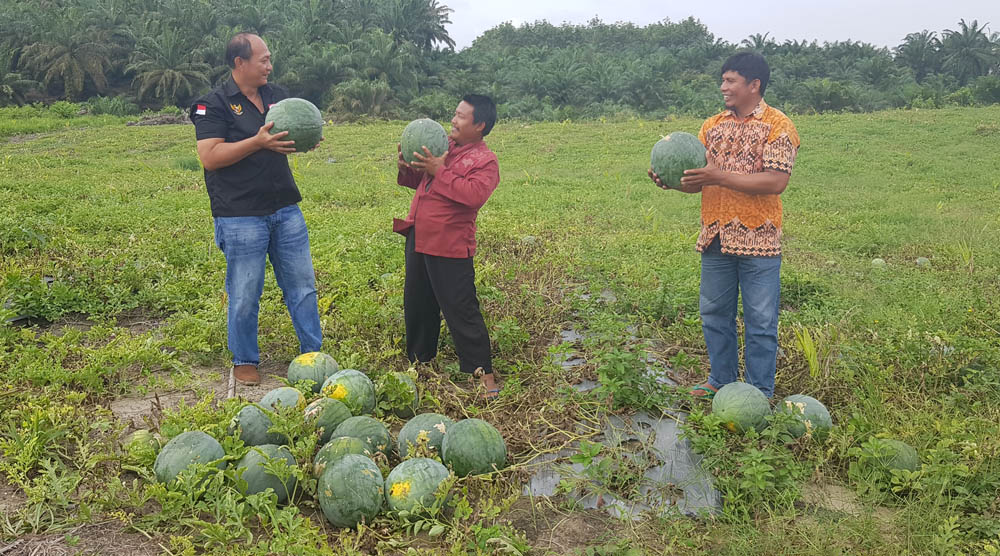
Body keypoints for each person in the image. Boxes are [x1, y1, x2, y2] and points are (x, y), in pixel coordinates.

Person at [649, 52, 800, 399]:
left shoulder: (778, 126)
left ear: (754, 85)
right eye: (723, 80)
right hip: (715, 236)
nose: (723, 87)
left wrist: (720, 176)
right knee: (715, 314)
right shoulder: (711, 126)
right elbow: (700, 180)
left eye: (731, 81)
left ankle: (759, 391)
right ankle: (721, 380)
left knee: (761, 323)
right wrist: (671, 181)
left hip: (759, 241)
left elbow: (776, 182)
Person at [189, 32, 323, 386]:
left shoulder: (276, 96)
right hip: (240, 213)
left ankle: (314, 353)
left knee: (302, 286)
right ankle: (245, 359)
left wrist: (306, 139)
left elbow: (287, 137)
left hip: (284, 207)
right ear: (240, 63)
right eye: (263, 60)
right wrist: (257, 142)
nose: (269, 65)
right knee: (246, 290)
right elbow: (210, 157)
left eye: (269, 59)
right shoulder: (212, 104)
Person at [393, 94, 501, 399]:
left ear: (479, 125)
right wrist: (409, 166)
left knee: (461, 309)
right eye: (454, 114)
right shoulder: (444, 147)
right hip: (420, 235)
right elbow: (419, 181)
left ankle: (483, 374)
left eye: (461, 116)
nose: (453, 120)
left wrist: (440, 170)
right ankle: (419, 362)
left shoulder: (485, 161)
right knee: (417, 303)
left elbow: (473, 195)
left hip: (451, 244)